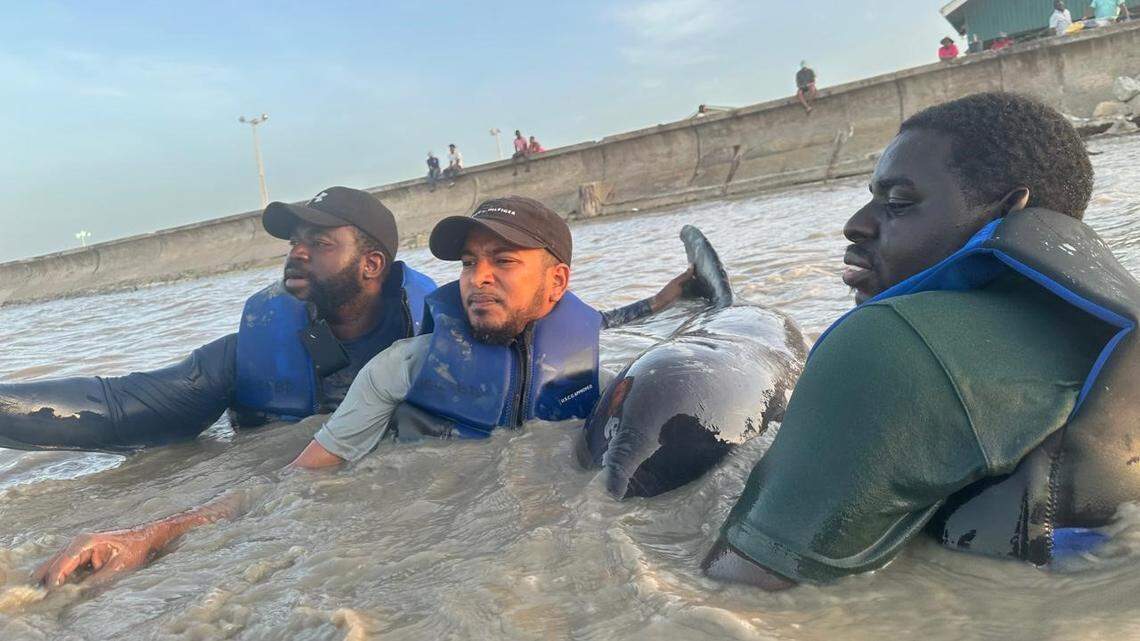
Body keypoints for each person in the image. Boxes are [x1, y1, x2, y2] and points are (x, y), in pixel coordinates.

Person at [35, 196, 697, 587]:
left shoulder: (601, 379)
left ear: (557, 284)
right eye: (469, 262)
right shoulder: (400, 369)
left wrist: (666, 302)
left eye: (503, 261)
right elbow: (291, 481)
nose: (478, 277)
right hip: (412, 548)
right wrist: (152, 532)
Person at [702, 92, 1140, 589]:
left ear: (1008, 211)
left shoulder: (893, 343)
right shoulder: (1105, 324)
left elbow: (740, 593)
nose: (856, 224)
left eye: (898, 204)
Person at [0, 187, 437, 452]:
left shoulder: (438, 342)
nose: (298, 253)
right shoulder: (246, 355)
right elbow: (119, 407)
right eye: (294, 242)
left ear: (372, 264)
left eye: (319, 243)